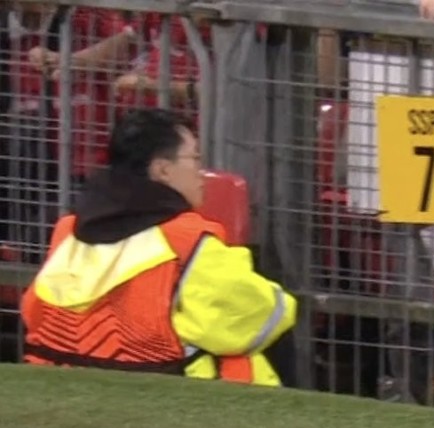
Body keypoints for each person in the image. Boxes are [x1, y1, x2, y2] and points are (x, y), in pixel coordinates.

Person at [21, 107, 295, 385]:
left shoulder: (68, 231)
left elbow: (33, 312)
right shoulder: (188, 241)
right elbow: (257, 317)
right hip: (162, 392)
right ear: (163, 169)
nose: (200, 172)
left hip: (58, 386)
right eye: (195, 158)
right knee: (243, 358)